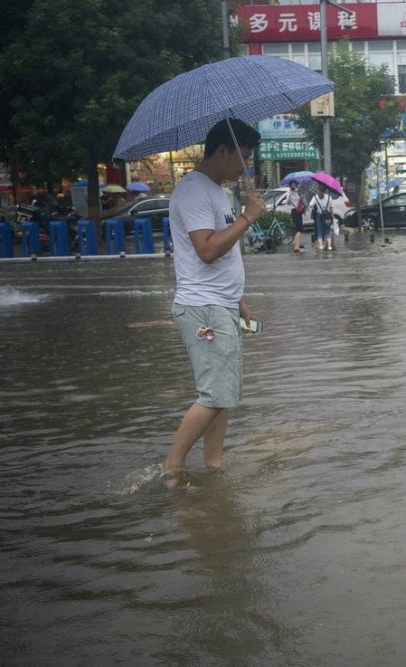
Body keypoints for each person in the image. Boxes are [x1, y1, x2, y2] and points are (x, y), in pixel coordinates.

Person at [160, 119, 266, 489]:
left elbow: (222, 256)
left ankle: (213, 465)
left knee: (223, 393)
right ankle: (172, 467)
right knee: (215, 393)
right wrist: (247, 218)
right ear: (222, 151)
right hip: (202, 308)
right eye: (244, 158)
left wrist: (237, 299)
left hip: (220, 304)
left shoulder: (217, 191)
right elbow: (206, 250)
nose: (246, 167)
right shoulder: (193, 191)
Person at [309, 184, 334, 251]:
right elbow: (331, 208)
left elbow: (310, 205)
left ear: (318, 189)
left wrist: (316, 206)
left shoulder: (315, 197)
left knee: (319, 231)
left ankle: (320, 246)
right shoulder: (329, 197)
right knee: (327, 231)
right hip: (328, 215)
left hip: (319, 215)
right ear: (325, 190)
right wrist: (332, 216)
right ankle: (329, 246)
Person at [289, 181, 306, 253]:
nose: (294, 186)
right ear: (290, 186)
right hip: (294, 211)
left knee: (298, 229)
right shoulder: (290, 193)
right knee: (299, 229)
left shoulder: (297, 193)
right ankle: (296, 247)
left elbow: (302, 202)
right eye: (293, 185)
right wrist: (290, 195)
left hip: (298, 212)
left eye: (295, 185)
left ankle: (297, 244)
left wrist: (301, 197)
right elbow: (287, 202)